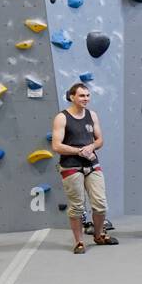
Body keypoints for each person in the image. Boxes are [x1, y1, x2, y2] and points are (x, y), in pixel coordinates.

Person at [52, 83, 117, 254]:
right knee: (77, 207)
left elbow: (99, 140)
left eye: (87, 95)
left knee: (101, 204)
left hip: (92, 164)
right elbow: (57, 146)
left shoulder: (92, 115)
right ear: (72, 97)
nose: (85, 99)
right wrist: (79, 151)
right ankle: (79, 242)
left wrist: (92, 147)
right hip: (70, 167)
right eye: (82, 96)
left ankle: (98, 235)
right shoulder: (62, 117)